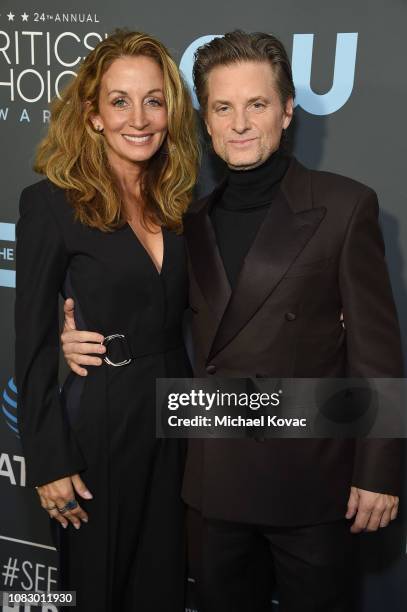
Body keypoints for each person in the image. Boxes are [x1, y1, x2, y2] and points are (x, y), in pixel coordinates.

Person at [60, 30, 403, 612]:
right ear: (206, 122)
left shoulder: (346, 206)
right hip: (212, 487)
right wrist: (78, 341)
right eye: (223, 107)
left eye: (257, 105)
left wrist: (380, 471)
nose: (240, 123)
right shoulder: (183, 220)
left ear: (288, 112)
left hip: (311, 487)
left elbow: (377, 351)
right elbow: (155, 325)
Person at [15, 29, 198, 611]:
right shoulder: (51, 203)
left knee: (164, 586)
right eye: (119, 101)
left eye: (153, 100)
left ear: (171, 109)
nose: (138, 118)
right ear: (93, 115)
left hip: (179, 417)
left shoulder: (185, 202)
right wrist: (49, 460)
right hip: (101, 417)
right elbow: (34, 341)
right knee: (97, 589)